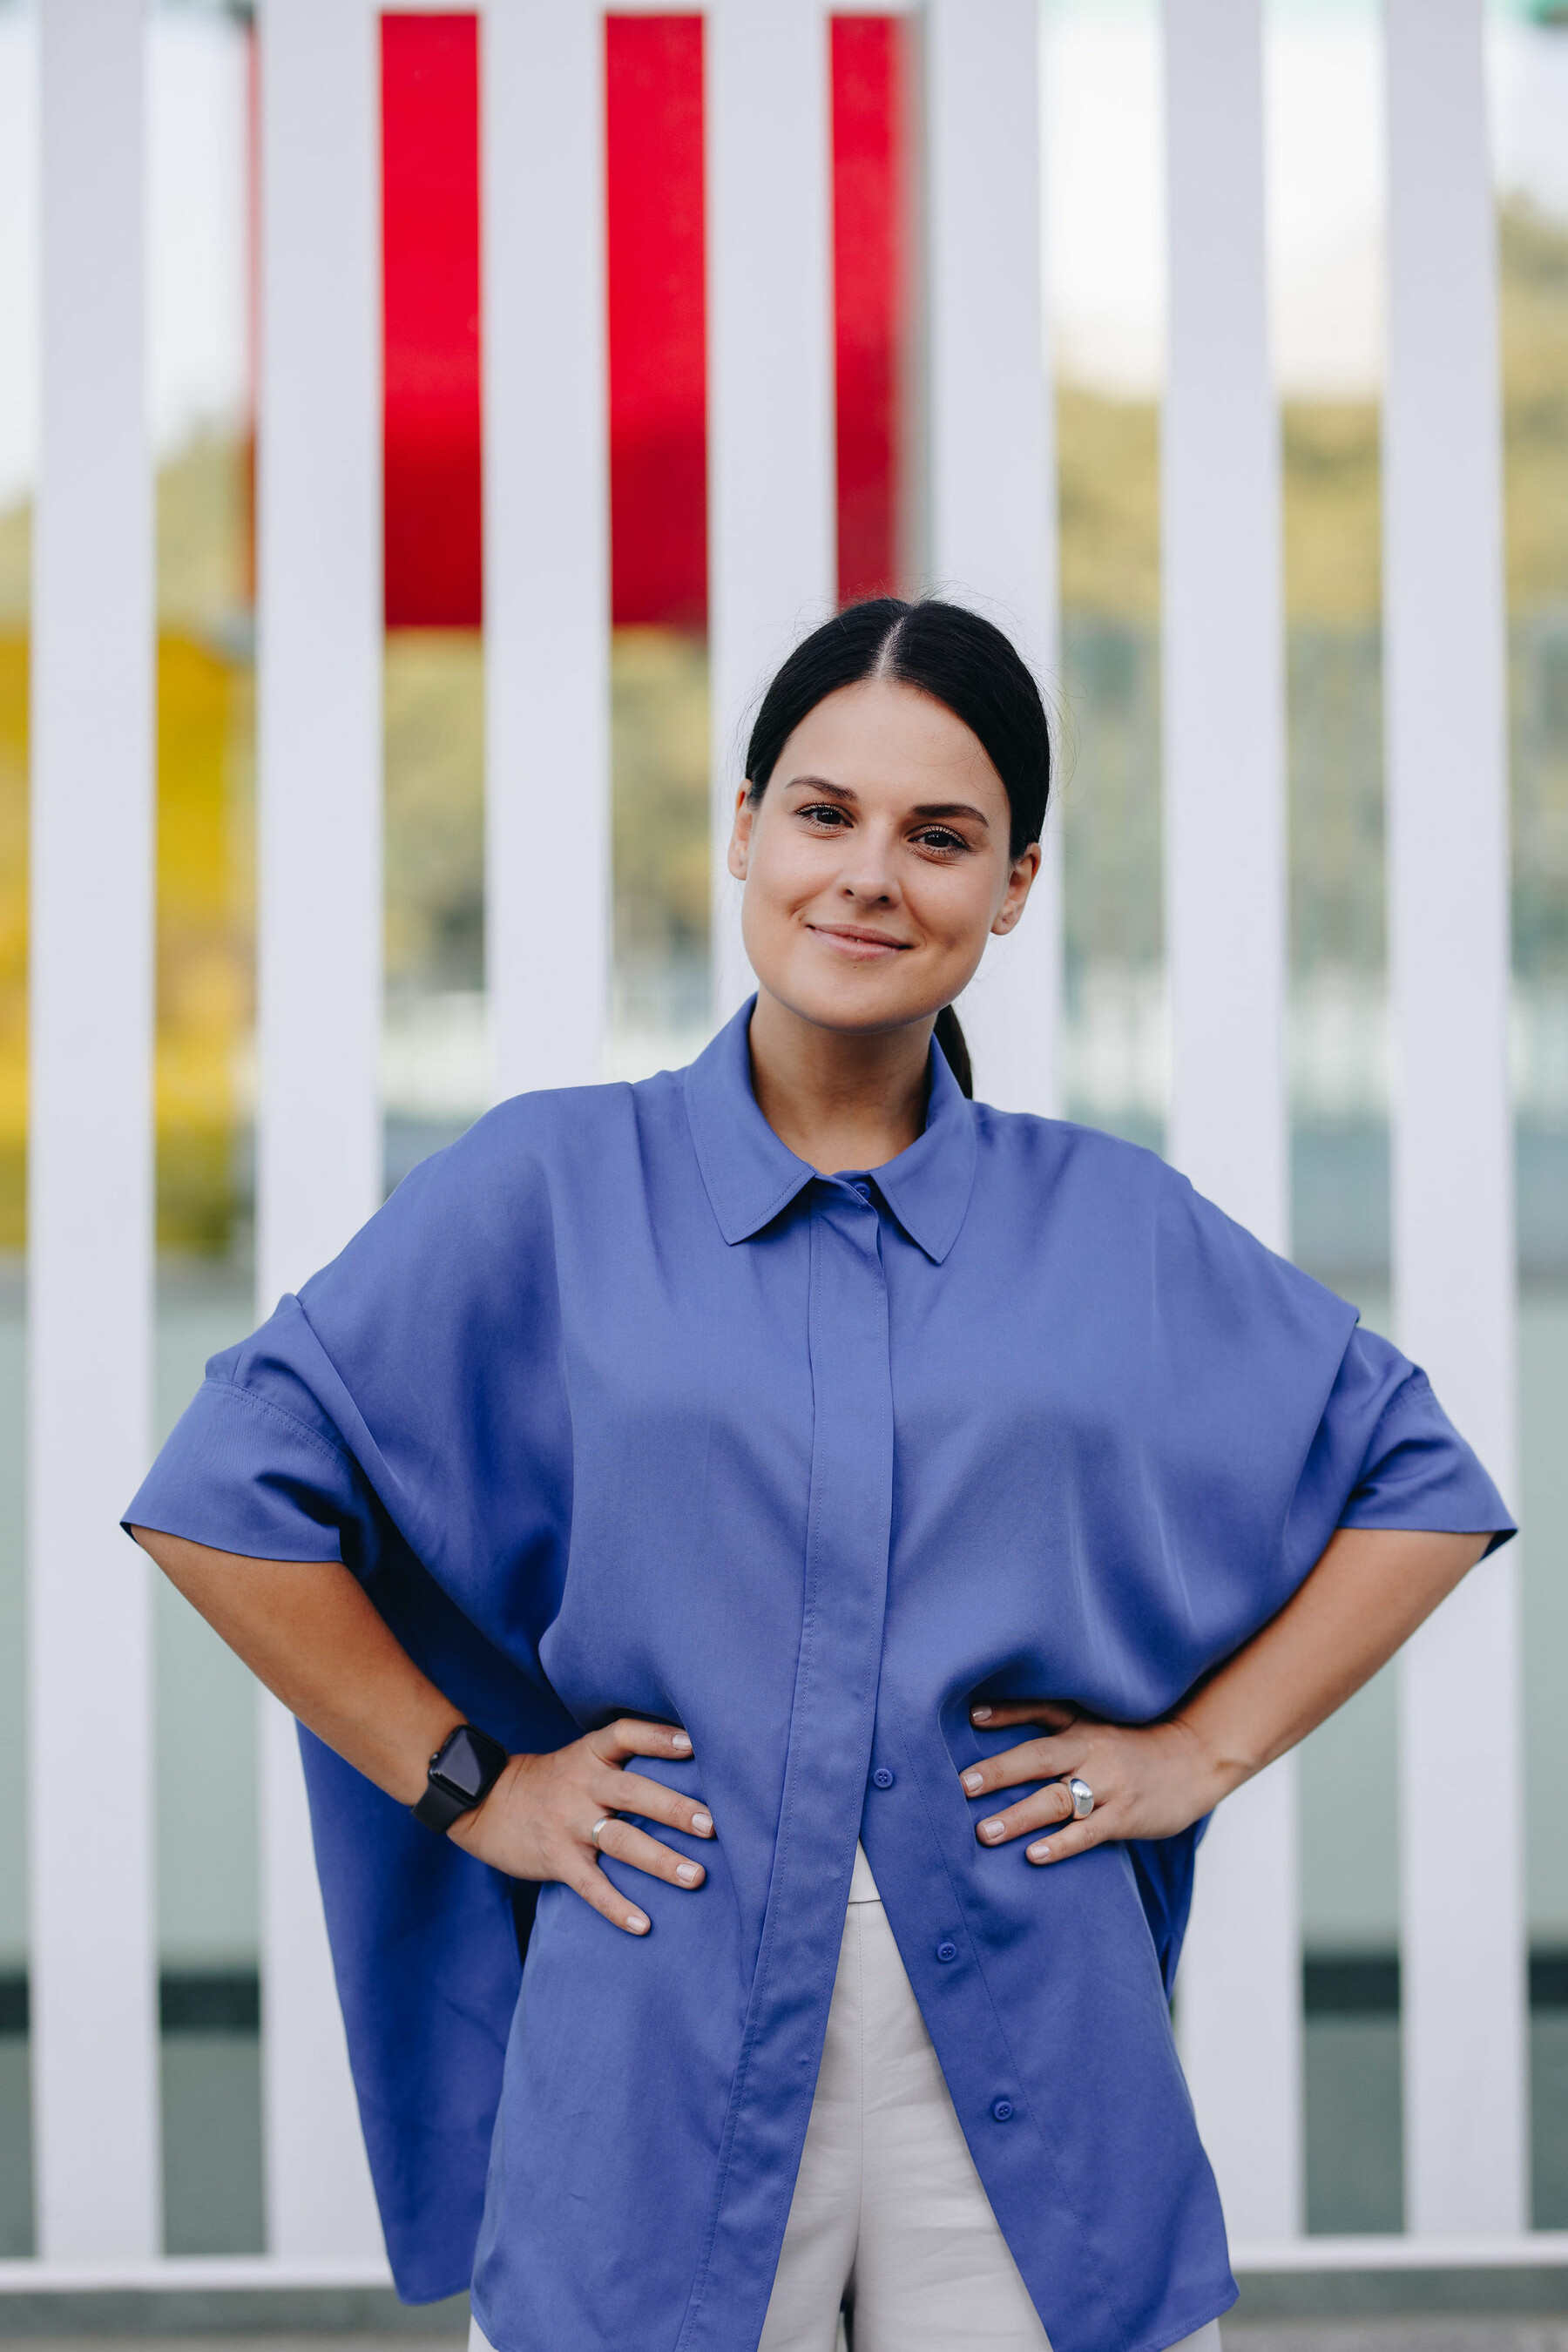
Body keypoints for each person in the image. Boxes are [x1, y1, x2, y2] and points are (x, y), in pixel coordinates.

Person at [125, 598, 1511, 2352]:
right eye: (824, 812)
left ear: (1013, 885)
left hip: (1033, 2057)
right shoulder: (551, 1184)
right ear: (744, 828)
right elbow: (222, 1489)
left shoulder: (1110, 1224)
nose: (871, 874)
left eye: (942, 837)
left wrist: (1199, 1753)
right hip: (654, 2039)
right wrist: (479, 1784)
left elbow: (1419, 1480)